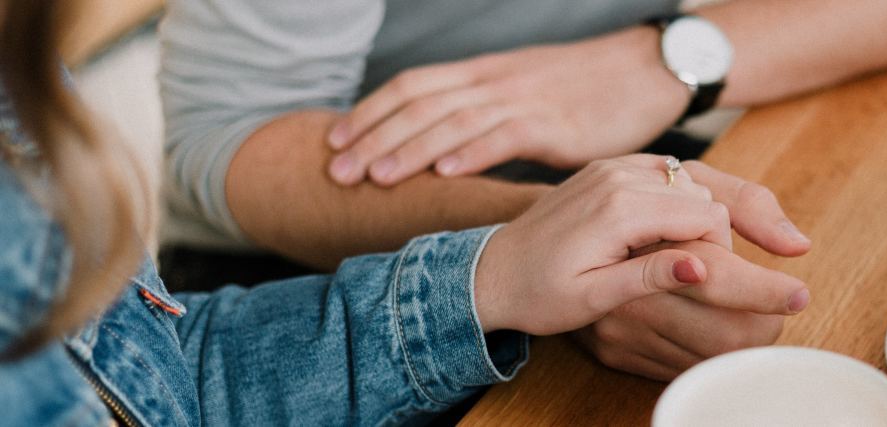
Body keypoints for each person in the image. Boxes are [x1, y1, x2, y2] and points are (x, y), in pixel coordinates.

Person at [0, 0, 806, 424]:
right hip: (281, 259)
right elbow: (226, 139)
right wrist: (533, 233)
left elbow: (156, 385)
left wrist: (497, 273)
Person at [158, 0, 887, 379]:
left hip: (616, 167)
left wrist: (670, 59)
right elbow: (225, 143)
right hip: (300, 269)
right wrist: (545, 243)